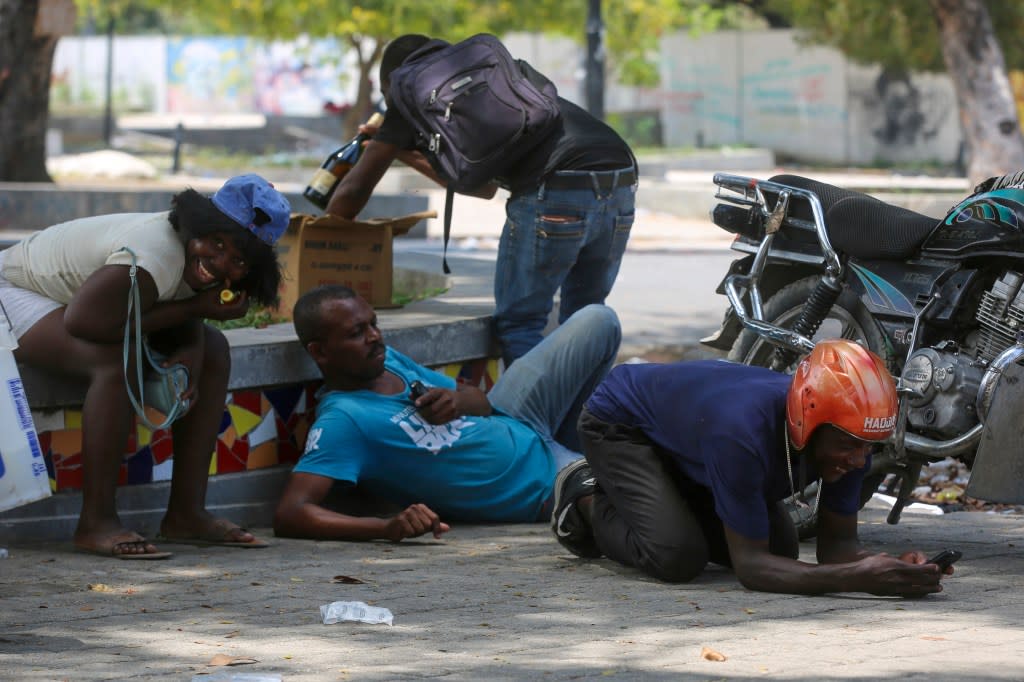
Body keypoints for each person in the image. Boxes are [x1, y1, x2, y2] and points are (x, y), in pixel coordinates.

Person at [0, 174, 290, 559]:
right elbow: (85, 322)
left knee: (215, 349)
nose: (219, 262)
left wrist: (194, 341)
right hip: (15, 291)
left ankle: (187, 513)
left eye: (237, 260)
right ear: (197, 226)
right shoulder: (154, 255)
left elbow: (167, 305)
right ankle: (96, 522)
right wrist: (195, 312)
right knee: (113, 363)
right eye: (215, 243)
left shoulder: (192, 258)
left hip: (85, 306)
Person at [323, 34, 637, 367]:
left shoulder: (408, 93)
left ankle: (528, 420)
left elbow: (353, 192)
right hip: (619, 171)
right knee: (586, 319)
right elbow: (484, 188)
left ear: (392, 82)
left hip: (555, 182)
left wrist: (317, 245)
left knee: (520, 322)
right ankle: (587, 416)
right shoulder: (493, 73)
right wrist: (403, 152)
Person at [551, 340, 955, 596]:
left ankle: (668, 496)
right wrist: (856, 579)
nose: (859, 461)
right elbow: (751, 569)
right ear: (808, 423)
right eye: (849, 446)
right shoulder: (741, 430)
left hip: (695, 434)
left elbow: (837, 551)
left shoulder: (849, 436)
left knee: (782, 550)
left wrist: (893, 569)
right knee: (676, 556)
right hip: (622, 423)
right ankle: (584, 493)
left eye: (870, 447)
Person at [272, 284, 620, 542]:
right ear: (320, 352)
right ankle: (582, 470)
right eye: (357, 333)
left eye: (373, 324)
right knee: (629, 487)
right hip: (538, 480)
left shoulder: (387, 361)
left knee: (599, 320)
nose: (375, 337)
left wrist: (457, 402)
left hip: (516, 417)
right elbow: (291, 514)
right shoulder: (343, 420)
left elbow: (481, 401)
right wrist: (386, 528)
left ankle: (586, 453)